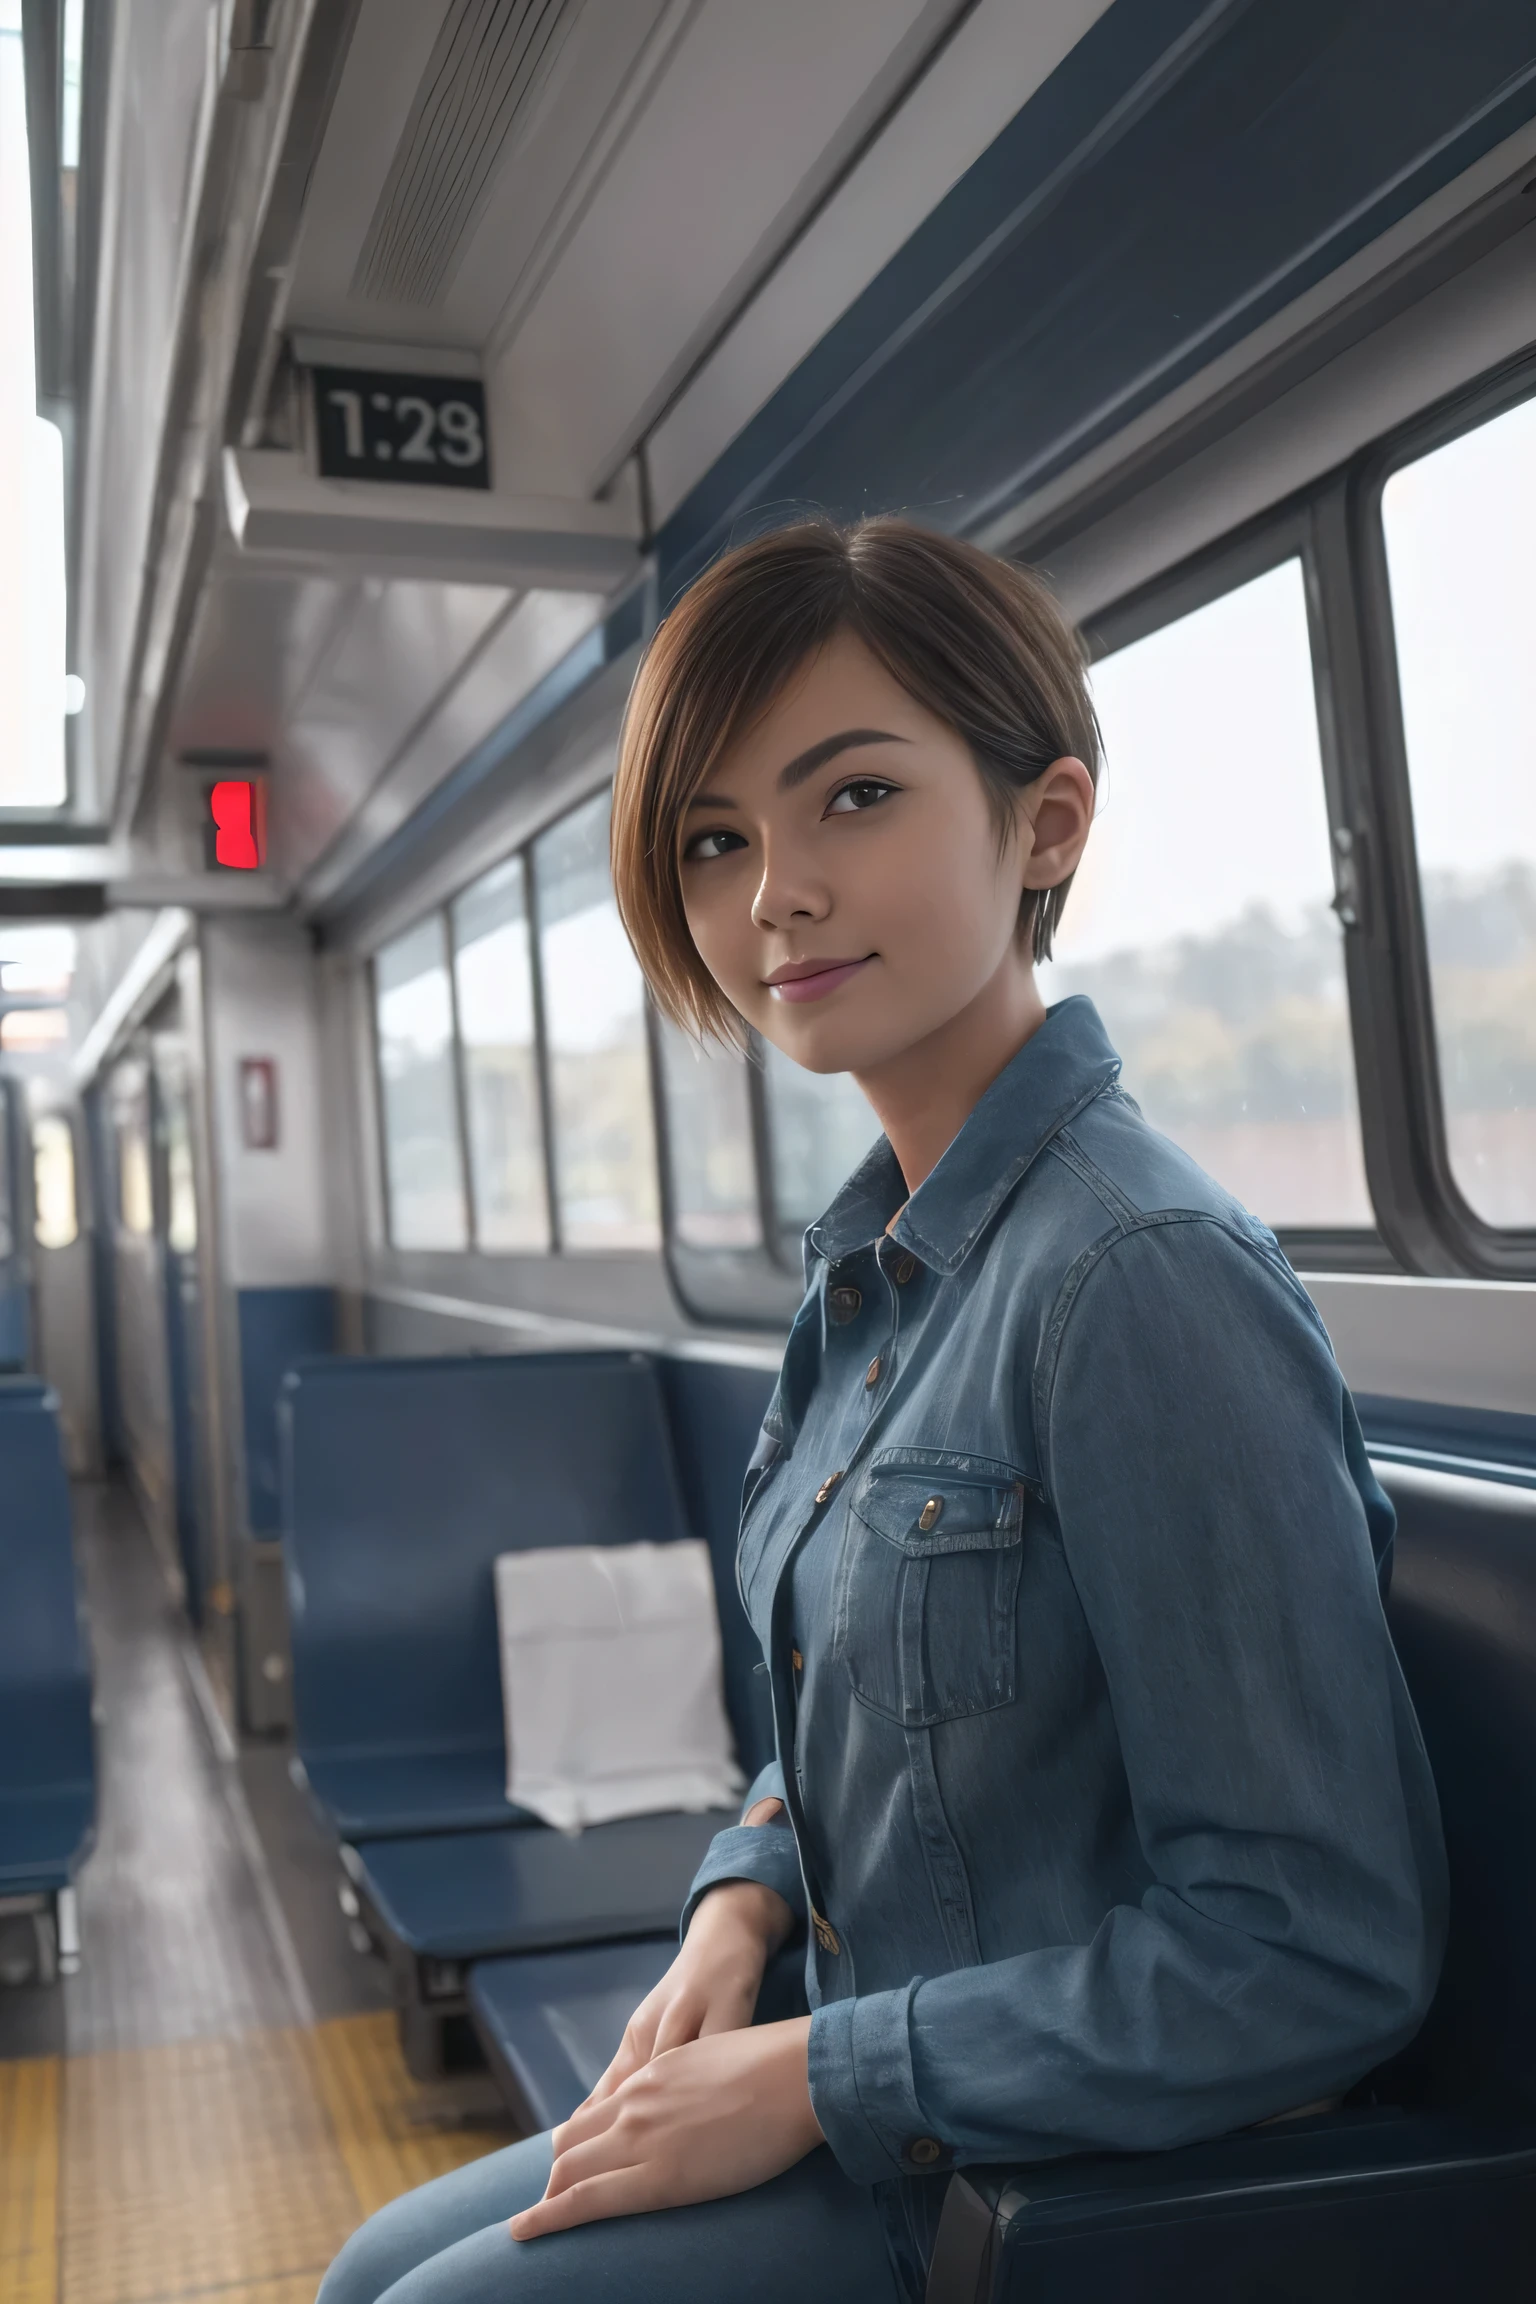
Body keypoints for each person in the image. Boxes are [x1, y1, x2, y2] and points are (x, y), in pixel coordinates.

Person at [319, 518, 1446, 2304]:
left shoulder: (1136, 1278)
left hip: (1050, 2184)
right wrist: (740, 1903)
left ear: (1045, 824)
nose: (773, 893)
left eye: (852, 796)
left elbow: (1312, 1953)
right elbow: (874, 1711)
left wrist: (810, 2075)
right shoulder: (872, 1277)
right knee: (368, 2267)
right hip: (870, 2072)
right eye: (716, 838)